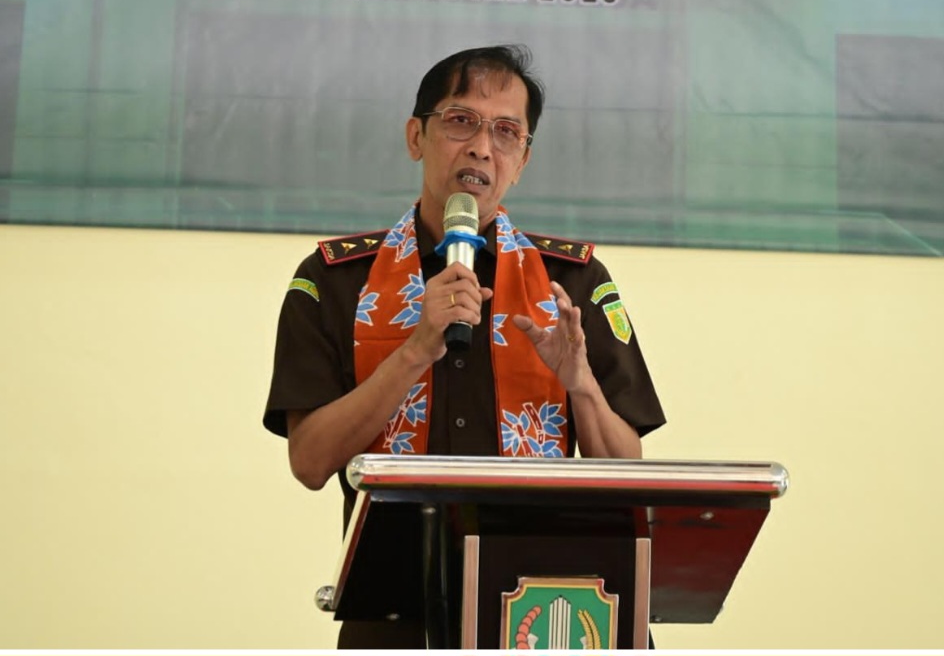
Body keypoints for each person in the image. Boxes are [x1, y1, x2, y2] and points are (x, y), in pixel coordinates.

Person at [263, 44, 666, 648]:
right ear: (416, 137)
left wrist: (580, 384)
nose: (481, 147)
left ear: (522, 160)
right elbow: (311, 462)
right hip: (394, 613)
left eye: (506, 132)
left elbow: (625, 472)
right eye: (461, 121)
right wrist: (413, 351)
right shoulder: (333, 281)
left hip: (544, 608)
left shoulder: (572, 283)